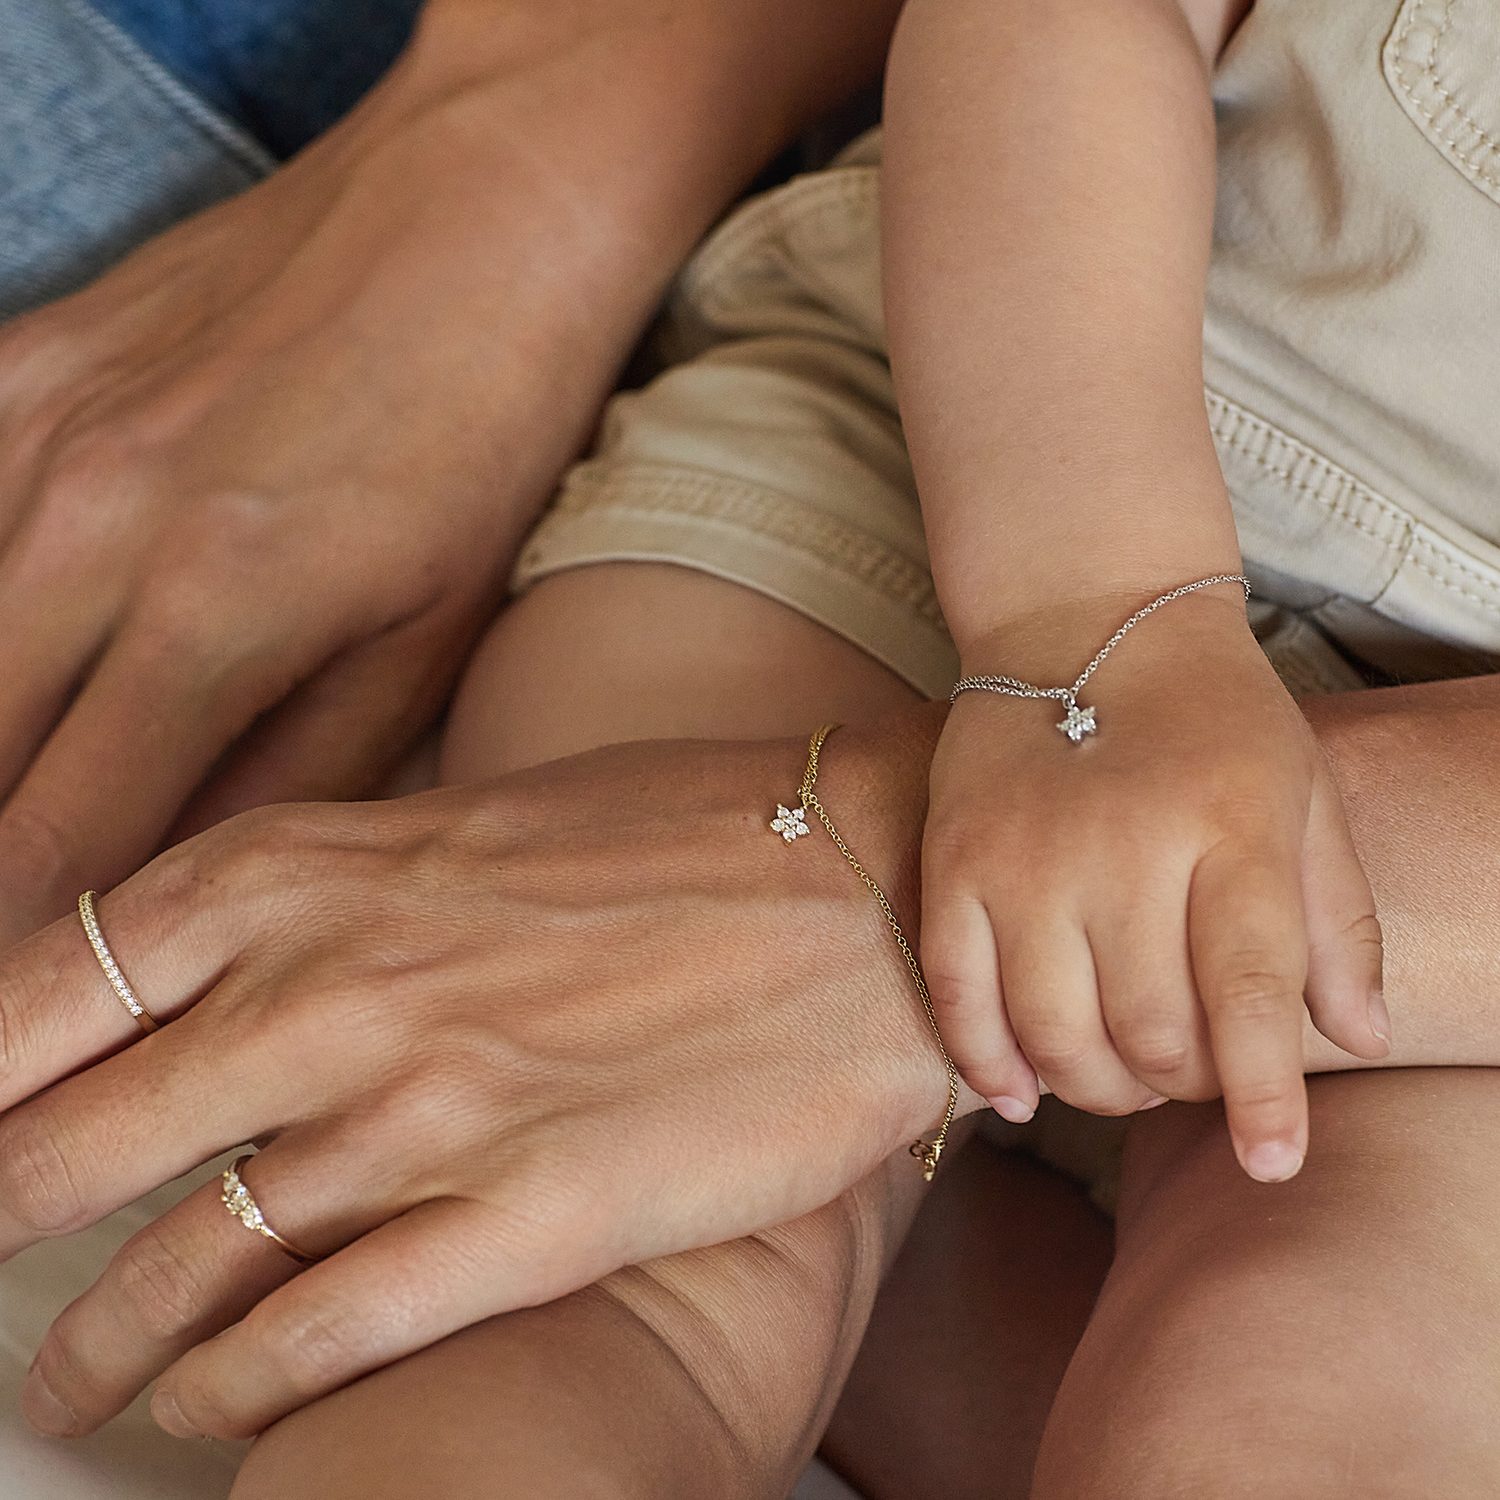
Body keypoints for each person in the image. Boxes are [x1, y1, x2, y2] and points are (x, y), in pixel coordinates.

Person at [3, 3, 1500, 1499]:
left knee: (1305, 1374)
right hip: (952, 442)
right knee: (573, 1246)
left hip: (1446, 940)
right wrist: (1088, 620)